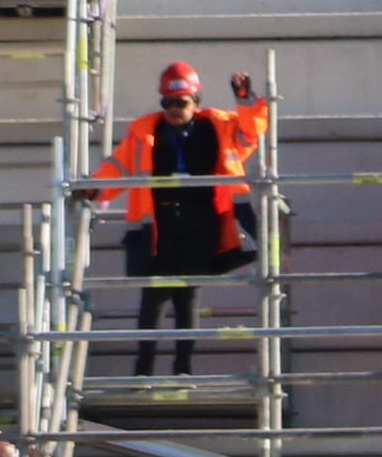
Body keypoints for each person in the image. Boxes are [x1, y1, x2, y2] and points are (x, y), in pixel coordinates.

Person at [87, 61, 271, 379]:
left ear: (195, 102)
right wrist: (91, 190)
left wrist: (245, 98)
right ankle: (143, 372)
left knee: (188, 297)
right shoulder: (145, 134)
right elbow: (117, 168)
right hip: (159, 225)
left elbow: (251, 132)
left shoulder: (218, 127)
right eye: (168, 103)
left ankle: (183, 370)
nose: (174, 109)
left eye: (181, 103)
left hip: (200, 225)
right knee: (153, 298)